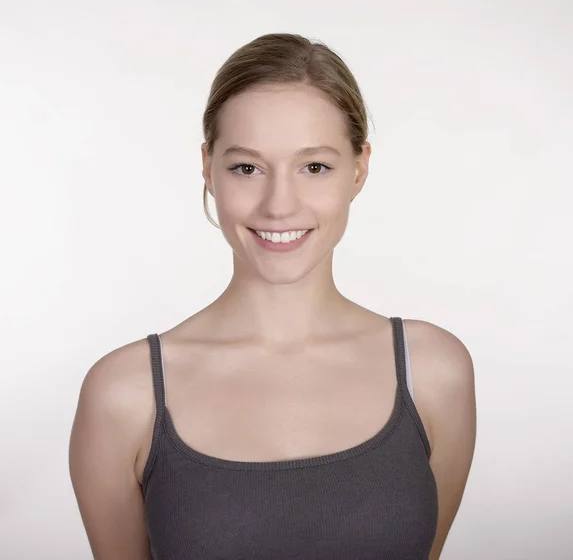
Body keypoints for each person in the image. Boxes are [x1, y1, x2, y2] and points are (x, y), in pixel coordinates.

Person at [69, 33, 476, 560]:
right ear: (207, 168)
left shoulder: (434, 373)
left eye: (314, 167)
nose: (279, 205)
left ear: (359, 169)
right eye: (247, 167)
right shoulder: (124, 395)